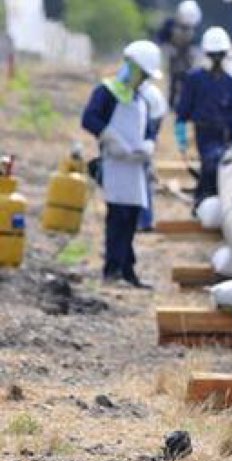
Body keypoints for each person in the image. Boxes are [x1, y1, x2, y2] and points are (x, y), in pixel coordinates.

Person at [81, 40, 165, 289]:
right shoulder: (106, 92)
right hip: (115, 164)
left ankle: (128, 270)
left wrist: (149, 145)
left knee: (132, 217)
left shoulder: (141, 99)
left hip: (135, 166)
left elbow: (149, 129)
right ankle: (112, 269)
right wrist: (108, 136)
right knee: (117, 218)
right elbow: (89, 119)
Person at [175, 27, 232, 209]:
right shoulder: (195, 78)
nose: (217, 59)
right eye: (214, 55)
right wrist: (181, 136)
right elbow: (183, 109)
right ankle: (203, 200)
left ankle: (213, 200)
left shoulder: (229, 81)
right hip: (204, 130)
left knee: (219, 165)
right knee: (210, 163)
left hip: (223, 132)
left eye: (220, 55)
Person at [156, 0, 202, 107]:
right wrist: (167, 47)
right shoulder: (170, 24)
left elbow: (198, 42)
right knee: (173, 81)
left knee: (188, 82)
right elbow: (160, 38)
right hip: (174, 57)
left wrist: (196, 50)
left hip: (188, 59)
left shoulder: (195, 26)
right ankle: (171, 105)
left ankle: (186, 105)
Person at [137, 82, 168, 232]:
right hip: (152, 118)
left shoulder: (144, 96)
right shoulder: (152, 92)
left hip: (149, 121)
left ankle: (143, 220)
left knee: (140, 173)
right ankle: (144, 220)